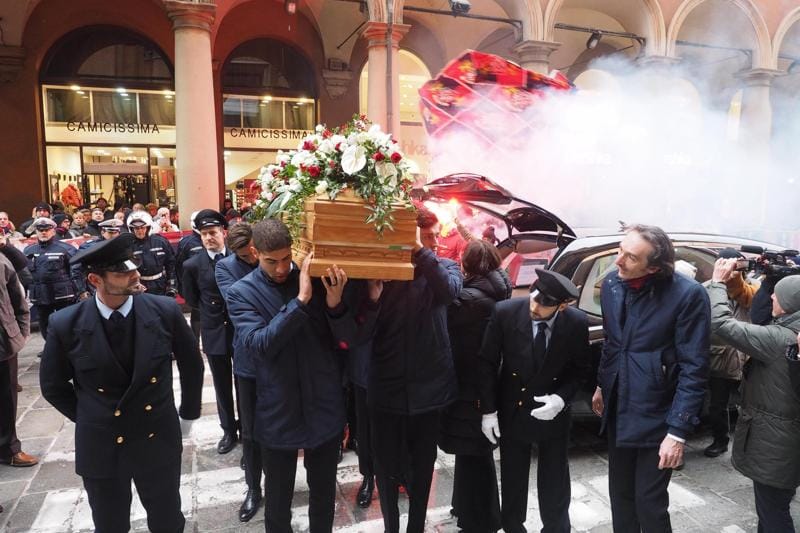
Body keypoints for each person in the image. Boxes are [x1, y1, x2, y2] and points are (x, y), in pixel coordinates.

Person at [39, 232, 205, 533]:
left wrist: (188, 415)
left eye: (134, 267)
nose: (135, 275)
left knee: (167, 519)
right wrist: (91, 416)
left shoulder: (164, 311)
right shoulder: (66, 323)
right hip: (102, 442)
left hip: (156, 433)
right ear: (95, 280)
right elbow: (53, 385)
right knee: (109, 523)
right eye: (122, 272)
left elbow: (192, 366)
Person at [226, 219, 375, 533]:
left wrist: (334, 305)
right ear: (255, 252)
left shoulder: (316, 281)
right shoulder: (242, 292)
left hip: (324, 404)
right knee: (278, 501)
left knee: (323, 496)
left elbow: (348, 340)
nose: (281, 268)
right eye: (271, 261)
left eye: (286, 258)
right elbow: (260, 345)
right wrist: (300, 301)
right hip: (277, 408)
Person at [591, 224, 710, 532]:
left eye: (630, 257)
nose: (618, 261)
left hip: (658, 411)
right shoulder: (612, 284)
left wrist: (678, 432)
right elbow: (612, 342)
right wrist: (603, 384)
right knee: (620, 497)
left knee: (649, 503)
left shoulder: (689, 295)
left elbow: (694, 367)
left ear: (654, 267)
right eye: (620, 250)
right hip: (619, 404)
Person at [369, 208, 462, 533]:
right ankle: (391, 528)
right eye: (428, 237)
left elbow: (449, 292)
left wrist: (421, 251)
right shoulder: (386, 271)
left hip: (429, 389)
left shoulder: (445, 267)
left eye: (436, 236)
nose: (436, 242)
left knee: (423, 468)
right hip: (386, 386)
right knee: (386, 466)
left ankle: (416, 528)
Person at [478, 268, 589, 533]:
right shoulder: (505, 312)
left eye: (544, 305)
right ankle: (513, 527)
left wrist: (561, 399)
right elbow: (486, 362)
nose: (535, 307)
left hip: (552, 411)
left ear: (562, 306)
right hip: (513, 406)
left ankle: (556, 528)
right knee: (513, 476)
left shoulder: (576, 322)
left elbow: (580, 369)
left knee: (555, 479)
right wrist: (488, 411)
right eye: (534, 298)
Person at [707, 262, 800, 532]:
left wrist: (717, 283)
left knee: (773, 512)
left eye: (776, 295)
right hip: (786, 441)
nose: (771, 297)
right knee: (774, 506)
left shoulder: (778, 339)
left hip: (775, 444)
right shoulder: (791, 334)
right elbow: (759, 311)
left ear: (789, 303)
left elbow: (721, 323)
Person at [438, 240, 511, 532]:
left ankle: (482, 521)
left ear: (465, 264)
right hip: (485, 385)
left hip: (470, 387)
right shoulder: (498, 289)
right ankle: (464, 508)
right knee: (474, 453)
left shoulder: (467, 301)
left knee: (475, 455)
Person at [182, 209, 240, 456]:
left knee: (244, 382)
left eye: (213, 233)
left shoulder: (239, 258)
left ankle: (248, 428)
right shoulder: (193, 265)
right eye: (204, 234)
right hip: (214, 331)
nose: (208, 238)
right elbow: (191, 298)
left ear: (223, 232)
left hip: (239, 329)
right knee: (221, 384)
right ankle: (229, 430)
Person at [214, 222, 261, 522]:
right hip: (248, 357)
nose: (253, 257)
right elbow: (238, 302)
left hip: (279, 356)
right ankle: (254, 488)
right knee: (251, 429)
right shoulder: (225, 268)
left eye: (255, 250)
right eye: (245, 255)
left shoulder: (273, 258)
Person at [703, 248, 757, 458]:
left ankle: (749, 445)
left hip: (748, 355)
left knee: (751, 405)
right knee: (717, 405)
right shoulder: (707, 289)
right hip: (720, 356)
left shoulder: (753, 288)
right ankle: (720, 440)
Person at [0, 251, 37, 468]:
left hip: (3, 342)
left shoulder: (2, 261)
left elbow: (18, 299)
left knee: (6, 399)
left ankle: (9, 449)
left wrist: (21, 333)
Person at [23, 218, 84, 343]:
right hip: (40, 294)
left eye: (47, 230)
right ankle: (51, 347)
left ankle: (68, 347)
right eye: (40, 230)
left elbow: (75, 270)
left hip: (63, 294)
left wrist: (80, 290)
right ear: (36, 232)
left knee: (65, 322)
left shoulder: (65, 248)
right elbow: (25, 274)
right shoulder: (29, 250)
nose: (44, 233)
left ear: (53, 231)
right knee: (44, 323)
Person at [127, 211, 176, 296]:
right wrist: (133, 284)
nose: (140, 231)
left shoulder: (160, 241)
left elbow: (171, 264)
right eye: (136, 228)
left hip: (160, 284)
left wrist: (172, 284)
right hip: (139, 285)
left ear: (148, 228)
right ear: (131, 229)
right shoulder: (128, 246)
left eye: (143, 227)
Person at [176, 211, 204, 339]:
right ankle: (194, 342)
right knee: (197, 313)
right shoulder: (186, 242)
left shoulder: (214, 237)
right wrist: (183, 286)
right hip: (195, 284)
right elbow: (179, 266)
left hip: (211, 281)